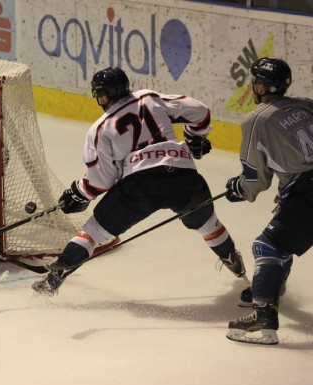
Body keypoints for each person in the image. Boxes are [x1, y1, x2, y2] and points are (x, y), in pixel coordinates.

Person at [32, 66, 245, 296]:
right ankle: (237, 266)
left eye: (100, 94)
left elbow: (101, 179)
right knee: (209, 225)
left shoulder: (101, 127)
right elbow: (200, 111)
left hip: (140, 185)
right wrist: (195, 137)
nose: (99, 99)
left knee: (93, 232)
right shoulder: (149, 98)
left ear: (105, 95)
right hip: (184, 176)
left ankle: (53, 280)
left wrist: (79, 193)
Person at [224, 58, 313, 345]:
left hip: (307, 189)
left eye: (254, 82)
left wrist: (239, 188)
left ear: (261, 86)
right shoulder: (305, 105)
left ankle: (264, 315)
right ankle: (272, 288)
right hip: (302, 189)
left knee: (267, 246)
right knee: (282, 233)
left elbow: (255, 180)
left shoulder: (257, 120)